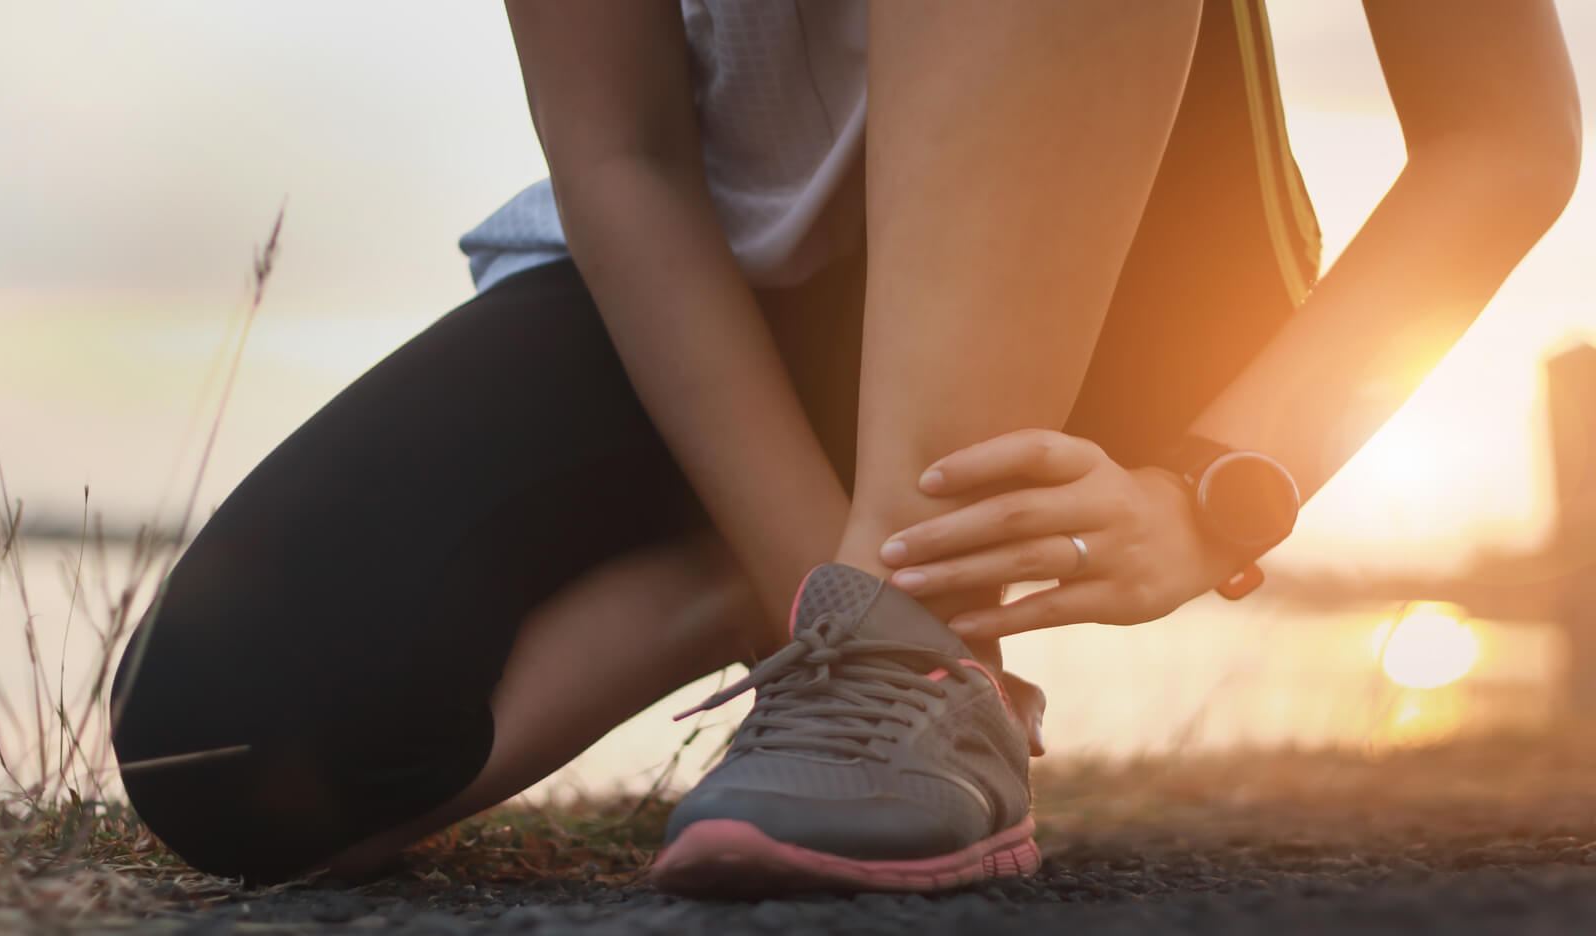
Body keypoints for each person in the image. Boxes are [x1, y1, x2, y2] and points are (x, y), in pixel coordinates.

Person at [110, 0, 1579, 894]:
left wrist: (1221, 491)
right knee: (236, 756)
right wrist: (823, 580)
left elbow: (1502, 132)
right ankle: (850, 619)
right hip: (728, 275)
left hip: (1128, 275)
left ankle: (895, 646)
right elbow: (619, 154)